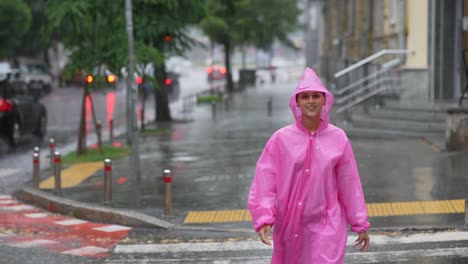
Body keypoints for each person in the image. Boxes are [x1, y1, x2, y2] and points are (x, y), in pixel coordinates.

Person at [247, 67, 370, 263]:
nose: (310, 101)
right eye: (305, 97)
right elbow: (265, 180)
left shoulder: (338, 138)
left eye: (315, 96)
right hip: (291, 224)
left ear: (324, 100)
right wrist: (264, 218)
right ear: (297, 101)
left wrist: (359, 224)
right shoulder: (281, 139)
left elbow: (350, 183)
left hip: (328, 222)